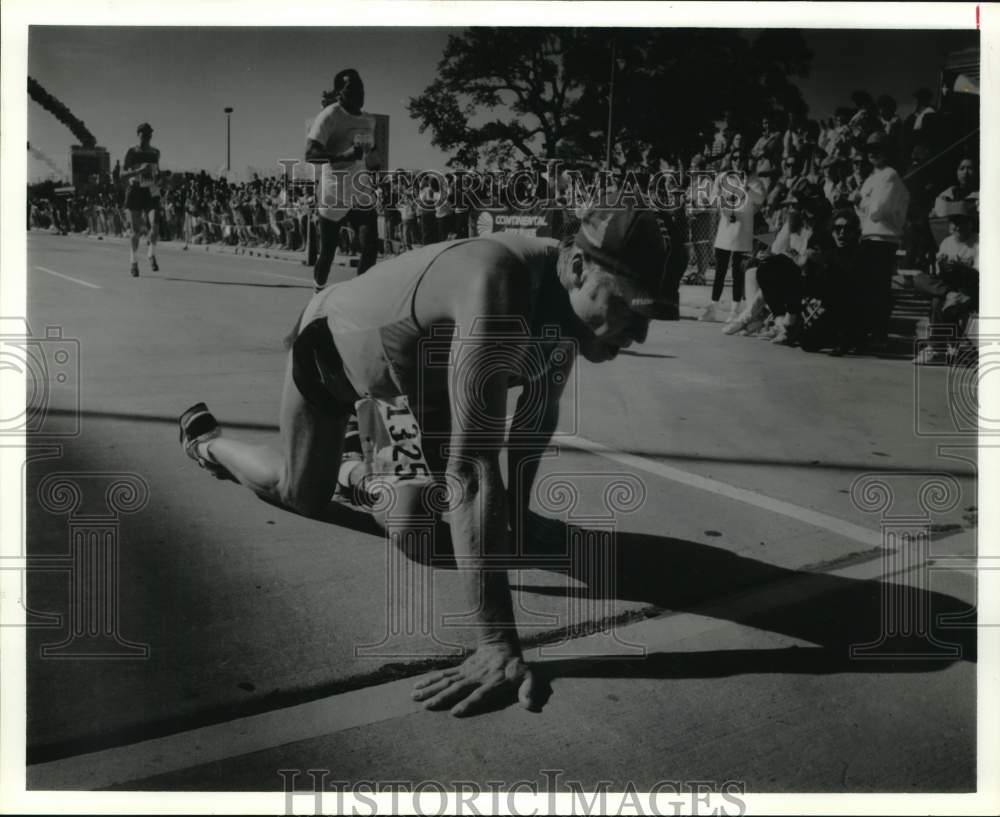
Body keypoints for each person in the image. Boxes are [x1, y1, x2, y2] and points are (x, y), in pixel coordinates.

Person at [179, 209, 684, 716]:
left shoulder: (569, 310)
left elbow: (533, 421)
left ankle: (358, 456)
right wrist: (496, 643)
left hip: (423, 379)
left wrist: (519, 522)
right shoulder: (497, 279)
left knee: (457, 519)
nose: (639, 335)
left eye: (651, 317)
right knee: (328, 500)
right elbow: (472, 472)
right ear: (578, 268)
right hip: (335, 353)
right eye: (630, 310)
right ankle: (209, 443)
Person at [307, 69, 382, 290]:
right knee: (328, 252)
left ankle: (357, 292)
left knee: (370, 245)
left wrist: (377, 173)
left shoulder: (369, 120)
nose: (359, 93)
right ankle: (318, 291)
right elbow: (310, 154)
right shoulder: (330, 116)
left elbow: (373, 152)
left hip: (360, 188)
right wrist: (343, 156)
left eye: (361, 88)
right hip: (334, 190)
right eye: (352, 89)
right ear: (340, 92)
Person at [855, 130, 910, 350]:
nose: (873, 154)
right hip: (868, 236)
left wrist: (861, 201)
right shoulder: (870, 178)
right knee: (869, 288)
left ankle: (879, 335)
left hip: (883, 238)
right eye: (870, 150)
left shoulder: (890, 175)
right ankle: (870, 332)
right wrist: (862, 203)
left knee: (879, 288)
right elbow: (864, 211)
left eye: (878, 150)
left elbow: (878, 209)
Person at [700, 149, 765, 322]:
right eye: (735, 158)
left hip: (743, 231)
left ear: (746, 161)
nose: (738, 161)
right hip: (725, 228)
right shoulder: (723, 177)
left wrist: (746, 188)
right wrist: (723, 204)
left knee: (738, 273)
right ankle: (713, 307)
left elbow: (760, 199)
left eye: (741, 158)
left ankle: (734, 311)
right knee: (720, 271)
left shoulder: (754, 180)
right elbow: (713, 197)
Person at [912, 202, 979, 365]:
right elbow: (938, 274)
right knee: (919, 278)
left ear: (970, 223)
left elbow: (980, 275)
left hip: (969, 288)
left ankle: (936, 348)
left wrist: (960, 267)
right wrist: (940, 266)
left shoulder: (979, 243)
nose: (957, 226)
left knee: (937, 301)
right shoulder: (947, 242)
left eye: (961, 222)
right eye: (953, 222)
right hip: (949, 288)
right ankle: (948, 294)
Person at [121, 122, 162, 277]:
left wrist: (162, 177)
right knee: (135, 231)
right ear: (138, 134)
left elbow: (156, 172)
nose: (147, 136)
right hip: (135, 191)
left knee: (155, 226)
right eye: (143, 133)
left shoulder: (156, 152)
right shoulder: (131, 151)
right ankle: (133, 261)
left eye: (149, 133)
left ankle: (151, 254)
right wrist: (138, 171)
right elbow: (122, 174)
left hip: (151, 191)